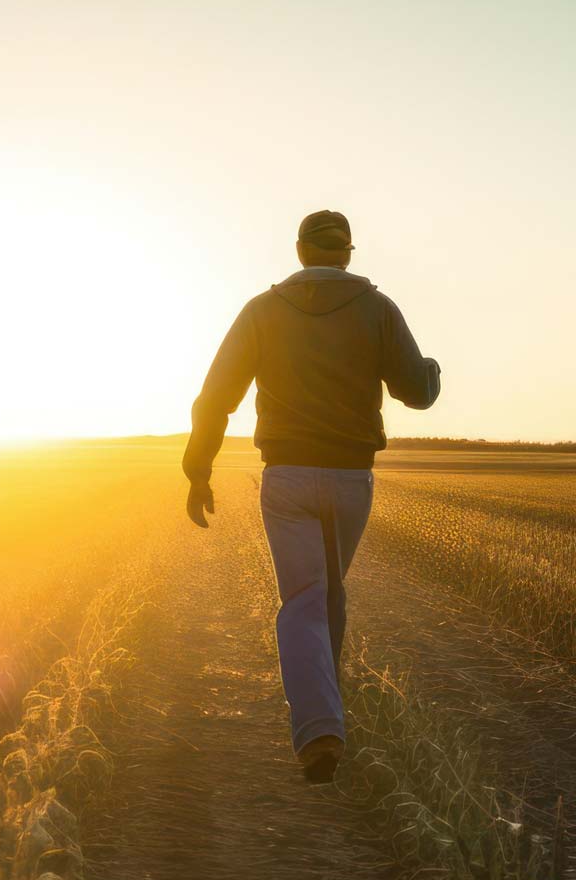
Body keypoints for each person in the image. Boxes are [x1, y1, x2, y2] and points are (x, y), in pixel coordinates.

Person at [182, 210, 440, 784]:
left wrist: (198, 467)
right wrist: (433, 370)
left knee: (307, 599)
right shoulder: (378, 308)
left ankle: (322, 724)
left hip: (288, 477)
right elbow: (416, 392)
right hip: (350, 478)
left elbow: (216, 395)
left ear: (300, 251)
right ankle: (326, 719)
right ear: (347, 253)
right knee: (326, 596)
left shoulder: (262, 310)